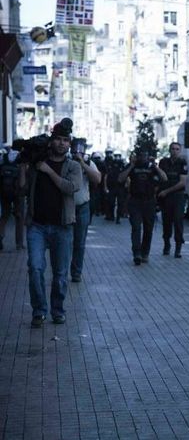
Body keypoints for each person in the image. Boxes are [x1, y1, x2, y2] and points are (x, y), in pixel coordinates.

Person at [19, 118, 82, 327]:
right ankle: (39, 311)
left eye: (66, 140)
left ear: (69, 144)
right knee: (35, 267)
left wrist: (48, 171)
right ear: (51, 141)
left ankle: (57, 310)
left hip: (62, 226)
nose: (62, 143)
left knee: (60, 274)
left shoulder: (73, 166)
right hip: (37, 225)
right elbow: (23, 189)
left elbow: (70, 188)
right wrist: (24, 165)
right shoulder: (37, 164)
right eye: (58, 139)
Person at [118, 150, 167, 265]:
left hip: (149, 201)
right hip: (135, 201)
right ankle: (137, 253)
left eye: (145, 155)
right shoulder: (132, 167)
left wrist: (155, 165)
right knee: (136, 227)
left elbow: (164, 178)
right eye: (141, 155)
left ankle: (145, 253)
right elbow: (120, 179)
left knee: (148, 228)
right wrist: (131, 165)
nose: (143, 158)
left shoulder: (152, 167)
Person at [70, 140, 101, 283]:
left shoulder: (88, 163)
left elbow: (97, 179)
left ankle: (76, 272)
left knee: (79, 242)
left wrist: (82, 163)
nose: (77, 153)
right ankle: (62, 269)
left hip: (82, 206)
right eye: (75, 150)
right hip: (66, 206)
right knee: (63, 241)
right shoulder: (65, 160)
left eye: (80, 150)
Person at [158, 142, 188, 258]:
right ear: (169, 150)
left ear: (180, 151)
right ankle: (166, 244)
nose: (174, 151)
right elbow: (160, 178)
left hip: (178, 197)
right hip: (165, 198)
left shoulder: (182, 163)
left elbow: (182, 183)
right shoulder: (163, 162)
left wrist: (167, 191)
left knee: (178, 221)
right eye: (173, 149)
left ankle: (178, 247)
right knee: (166, 222)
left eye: (177, 149)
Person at [0, 147, 25, 251]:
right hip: (18, 191)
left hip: (4, 190)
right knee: (19, 217)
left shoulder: (3, 157)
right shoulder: (21, 158)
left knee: (4, 216)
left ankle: (0, 237)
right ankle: (19, 244)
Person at [103, 150, 125, 223]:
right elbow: (106, 175)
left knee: (120, 202)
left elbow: (126, 175)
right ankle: (111, 215)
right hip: (112, 186)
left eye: (118, 156)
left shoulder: (122, 164)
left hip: (120, 186)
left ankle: (118, 218)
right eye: (116, 156)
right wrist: (105, 186)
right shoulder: (110, 164)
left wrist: (127, 184)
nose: (117, 157)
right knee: (111, 202)